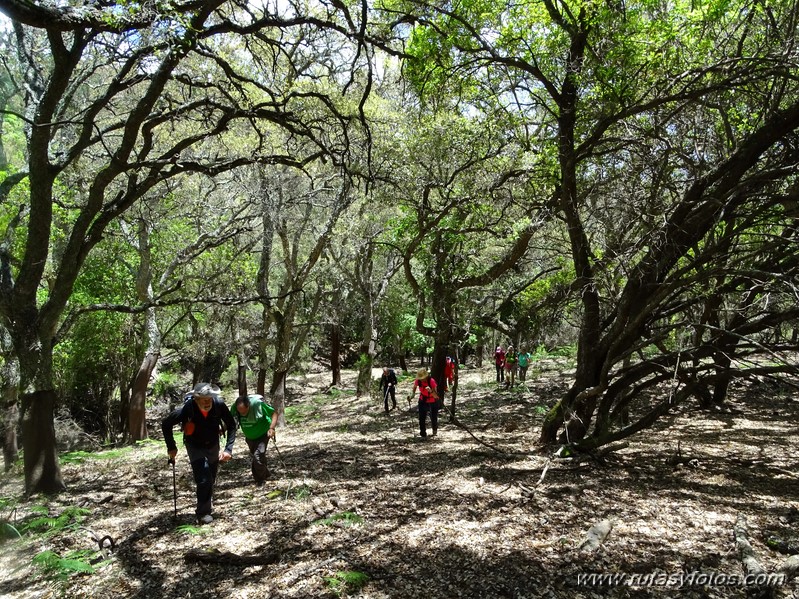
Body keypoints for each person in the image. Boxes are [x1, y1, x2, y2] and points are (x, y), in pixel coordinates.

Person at [162, 383, 236, 524]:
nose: (207, 401)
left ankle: (206, 502)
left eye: (210, 398)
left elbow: (232, 425)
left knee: (211, 477)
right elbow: (166, 424)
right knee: (204, 478)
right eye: (204, 399)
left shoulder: (219, 405)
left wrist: (228, 449)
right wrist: (171, 446)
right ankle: (203, 513)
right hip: (194, 445)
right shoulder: (188, 408)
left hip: (213, 444)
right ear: (196, 398)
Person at [233, 394, 277, 484]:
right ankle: (266, 474)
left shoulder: (258, 405)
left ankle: (260, 480)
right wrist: (223, 429)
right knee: (258, 456)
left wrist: (271, 428)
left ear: (249, 405)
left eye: (244, 411)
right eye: (240, 411)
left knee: (258, 456)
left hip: (263, 434)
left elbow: (274, 413)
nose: (242, 414)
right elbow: (230, 419)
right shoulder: (235, 407)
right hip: (249, 437)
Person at [409, 368, 439, 439]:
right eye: (420, 378)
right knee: (421, 418)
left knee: (433, 417)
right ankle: (423, 434)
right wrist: (411, 396)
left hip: (432, 401)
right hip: (423, 400)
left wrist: (430, 391)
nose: (421, 379)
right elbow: (414, 388)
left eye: (422, 378)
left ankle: (434, 430)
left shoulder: (431, 381)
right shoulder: (418, 381)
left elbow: (436, 396)